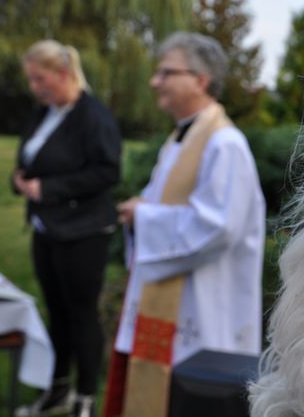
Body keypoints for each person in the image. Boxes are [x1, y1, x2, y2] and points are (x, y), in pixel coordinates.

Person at [103, 32, 265, 417]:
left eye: (166, 72)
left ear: (200, 80)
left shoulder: (224, 144)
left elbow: (218, 226)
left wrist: (143, 216)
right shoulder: (181, 139)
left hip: (203, 308)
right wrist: (140, 211)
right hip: (174, 299)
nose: (154, 81)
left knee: (190, 401)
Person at [12, 39, 121, 417]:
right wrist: (21, 180)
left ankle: (86, 399)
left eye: (39, 78)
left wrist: (50, 189)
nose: (35, 88)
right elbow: (28, 157)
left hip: (84, 231)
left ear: (62, 73)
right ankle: (57, 390)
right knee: (56, 312)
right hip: (47, 228)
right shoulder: (44, 113)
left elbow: (108, 171)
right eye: (30, 80)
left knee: (82, 314)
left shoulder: (92, 115)